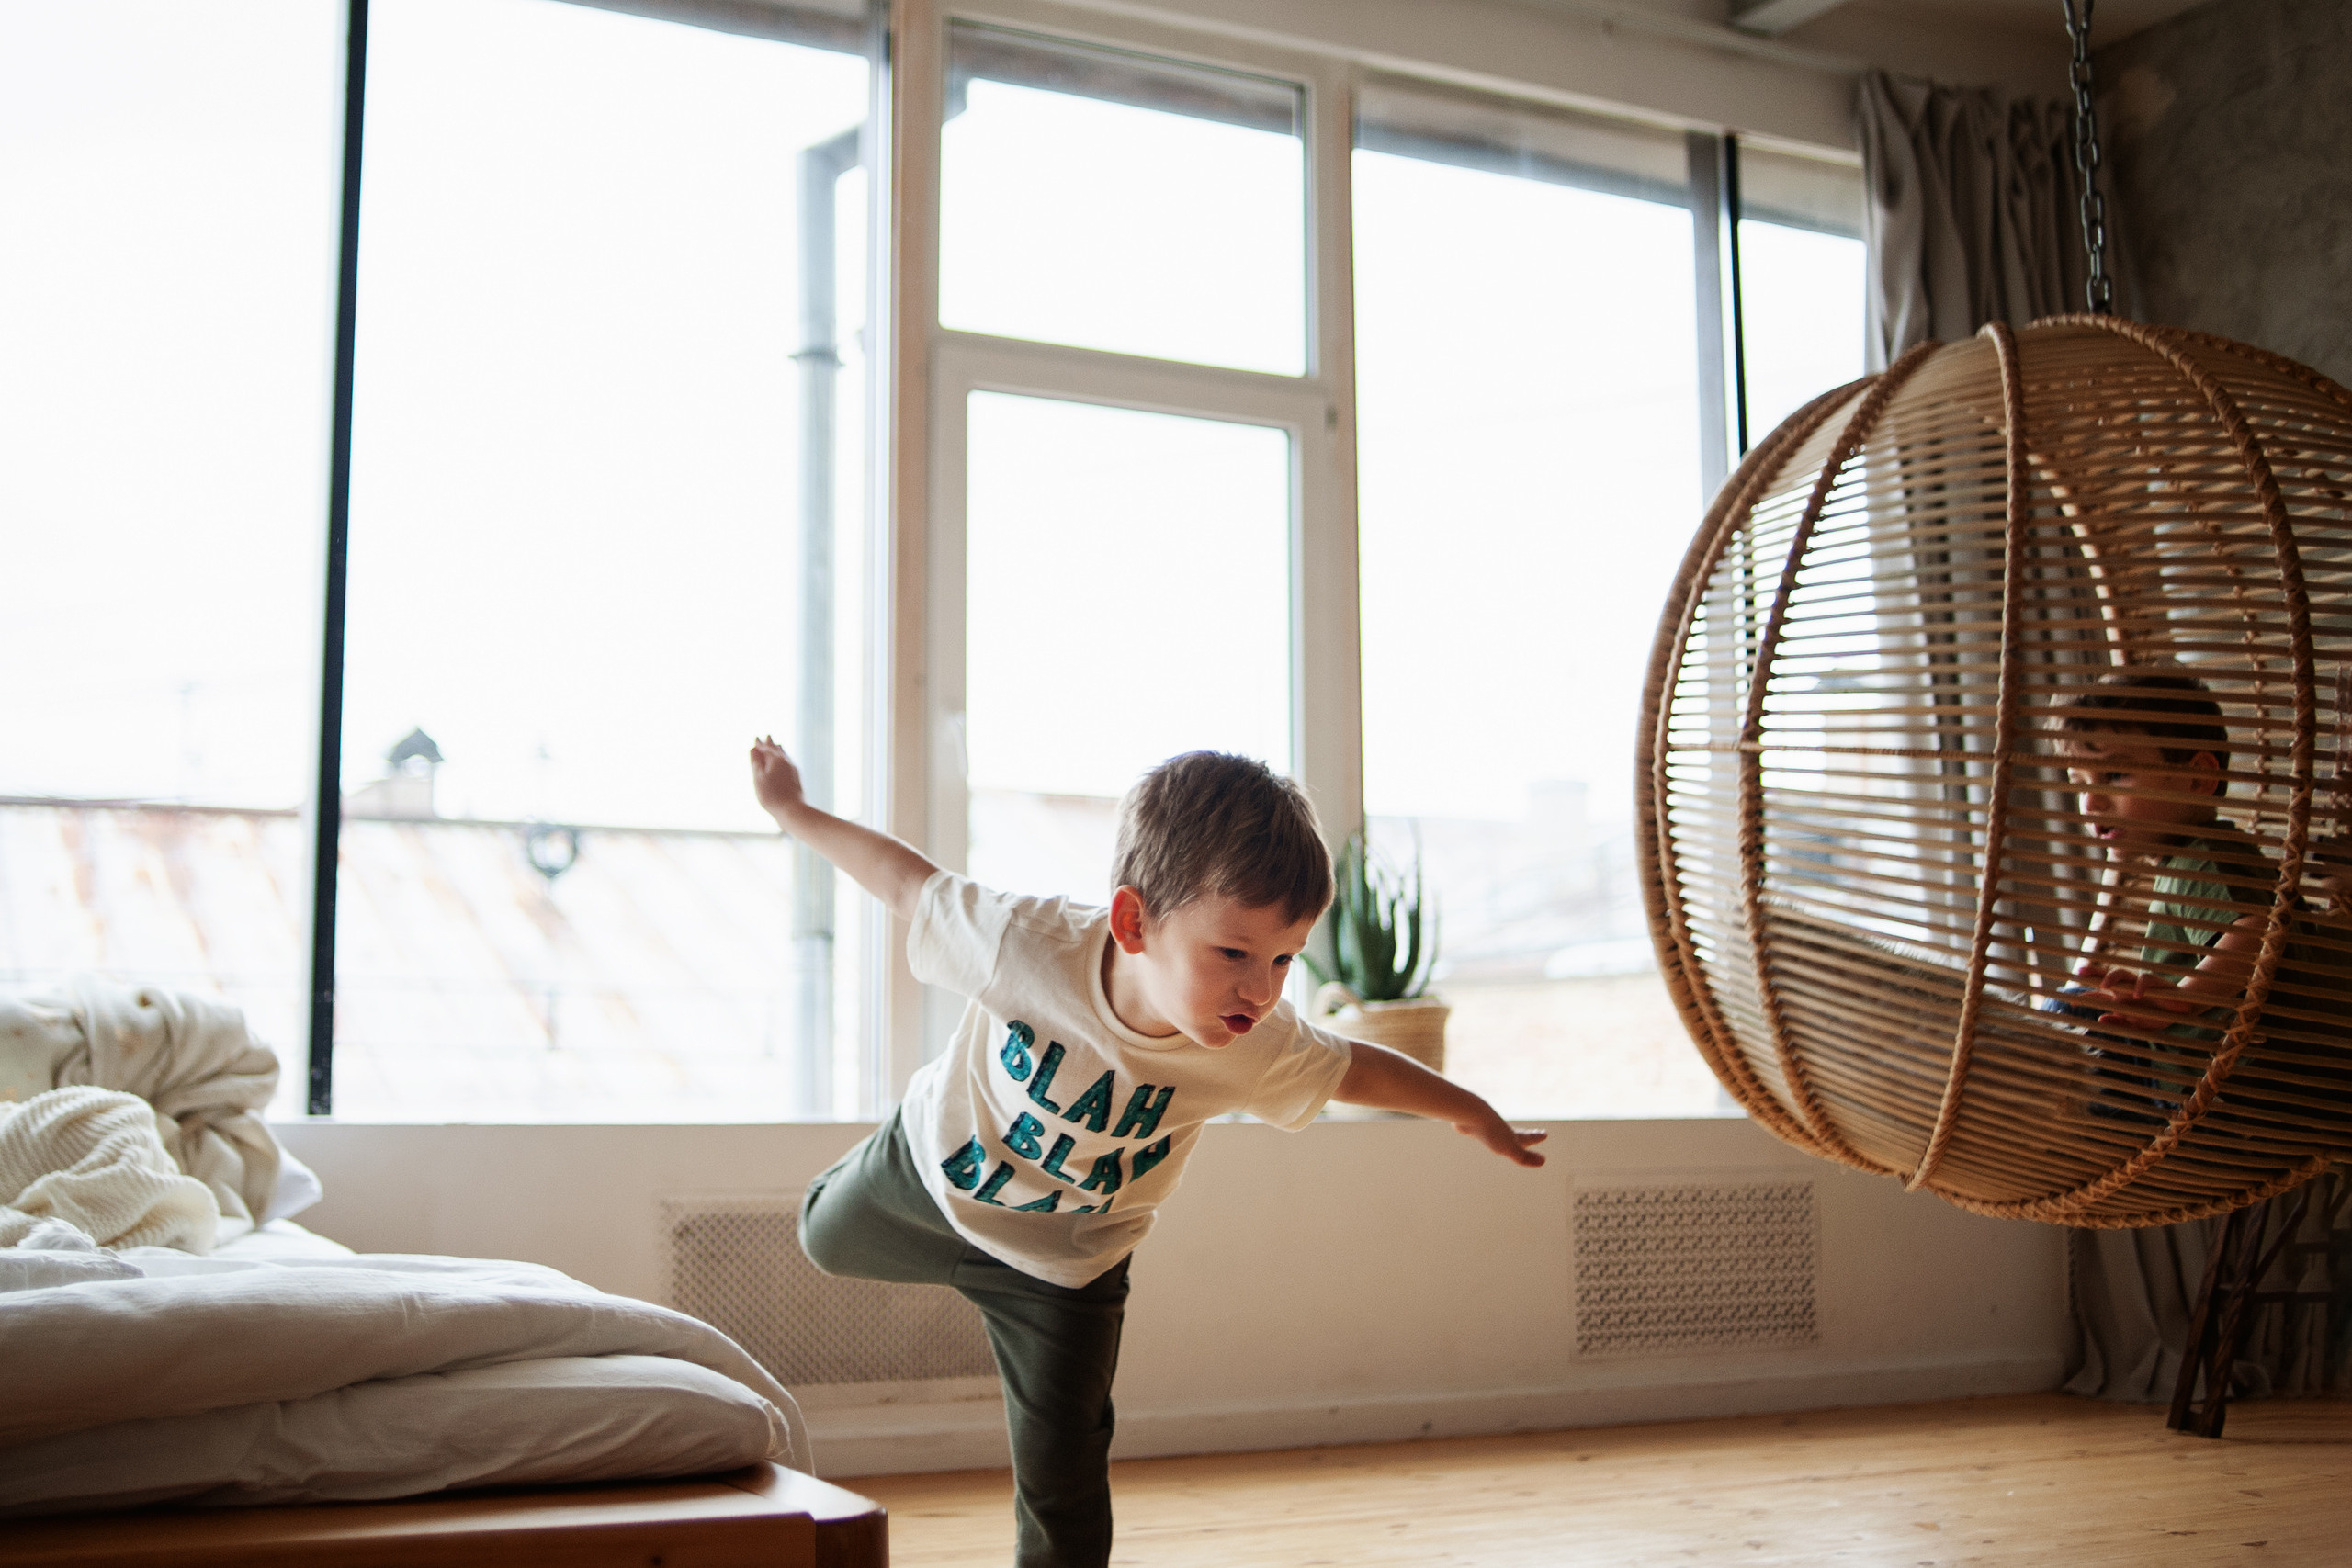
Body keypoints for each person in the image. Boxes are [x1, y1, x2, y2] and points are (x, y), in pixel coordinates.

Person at [749, 739, 1544, 1568]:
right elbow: (905, 883)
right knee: (819, 1233)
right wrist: (792, 811)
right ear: (1134, 922)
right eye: (1233, 952)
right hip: (933, 1171)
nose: (1261, 989)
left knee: (1066, 1479)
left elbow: (1355, 1066)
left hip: (1067, 1265)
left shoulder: (1252, 1043)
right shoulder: (1024, 943)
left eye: (1284, 958)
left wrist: (1473, 1111)